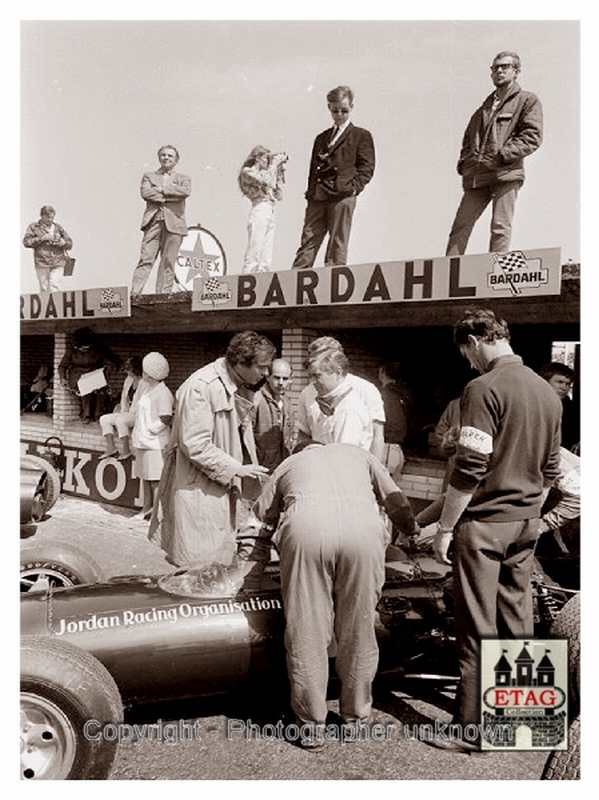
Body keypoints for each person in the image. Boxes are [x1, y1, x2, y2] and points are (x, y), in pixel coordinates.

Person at [431, 308, 561, 752]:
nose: (467, 361)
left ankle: (473, 733)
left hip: (485, 526)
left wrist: (445, 528)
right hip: (527, 522)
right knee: (517, 617)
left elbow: (469, 468)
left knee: (476, 625)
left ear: (473, 342)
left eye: (466, 352)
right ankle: (525, 723)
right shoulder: (548, 392)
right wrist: (529, 511)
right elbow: (550, 469)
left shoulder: (482, 387)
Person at [253, 442, 417, 744]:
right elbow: (397, 502)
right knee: (360, 626)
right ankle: (355, 719)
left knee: (307, 629)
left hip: (307, 530)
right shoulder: (359, 454)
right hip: (363, 533)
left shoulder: (290, 463)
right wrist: (413, 529)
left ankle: (310, 727)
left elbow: (262, 514)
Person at [149, 331, 276, 566]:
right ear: (240, 361)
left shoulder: (241, 384)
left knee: (220, 560)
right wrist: (237, 469)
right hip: (199, 488)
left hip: (222, 486)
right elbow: (195, 443)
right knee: (200, 565)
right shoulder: (201, 386)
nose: (266, 373)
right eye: (262, 367)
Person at [445, 52, 543, 256]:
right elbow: (468, 140)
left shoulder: (527, 100)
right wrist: (465, 164)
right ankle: (449, 273)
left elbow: (532, 136)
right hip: (476, 177)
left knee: (500, 226)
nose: (498, 70)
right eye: (495, 67)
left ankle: (495, 273)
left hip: (505, 174)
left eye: (504, 66)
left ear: (516, 71)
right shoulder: (483, 108)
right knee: (460, 226)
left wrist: (502, 156)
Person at [292, 85, 375, 269]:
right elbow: (313, 170)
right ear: (329, 107)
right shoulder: (321, 138)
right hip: (318, 196)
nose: (339, 115)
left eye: (344, 110)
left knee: (338, 243)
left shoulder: (361, 135)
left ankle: (333, 281)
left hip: (342, 196)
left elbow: (367, 168)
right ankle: (296, 280)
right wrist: (311, 194)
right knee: (308, 239)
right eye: (335, 110)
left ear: (351, 107)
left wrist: (352, 188)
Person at [297, 337, 385, 460]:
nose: (314, 362)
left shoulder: (365, 390)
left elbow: (377, 435)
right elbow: (304, 433)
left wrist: (375, 473)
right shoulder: (308, 392)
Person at [131, 145, 192, 295]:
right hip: (153, 222)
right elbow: (146, 193)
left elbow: (185, 192)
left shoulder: (183, 178)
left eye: (170, 156)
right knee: (146, 258)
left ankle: (163, 294)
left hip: (175, 224)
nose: (166, 158)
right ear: (159, 157)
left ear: (176, 159)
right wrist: (172, 196)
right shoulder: (149, 176)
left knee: (168, 261)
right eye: (163, 155)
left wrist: (162, 190)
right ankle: (134, 293)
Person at [130, 352, 174, 521]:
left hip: (155, 443)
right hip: (143, 442)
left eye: (145, 371)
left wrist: (150, 430)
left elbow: (166, 417)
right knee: (145, 478)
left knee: (155, 480)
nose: (143, 373)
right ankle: (146, 509)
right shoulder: (148, 389)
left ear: (152, 373)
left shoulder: (163, 393)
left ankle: (157, 514)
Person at [238, 146, 288, 274]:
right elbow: (266, 182)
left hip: (270, 210)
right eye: (266, 158)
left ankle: (262, 280)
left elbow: (279, 195)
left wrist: (279, 173)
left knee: (266, 256)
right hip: (259, 209)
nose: (268, 161)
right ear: (257, 158)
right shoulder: (248, 172)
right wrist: (274, 164)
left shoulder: (267, 173)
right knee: (255, 250)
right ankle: (247, 276)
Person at [58, 327, 122, 422]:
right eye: (81, 348)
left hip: (95, 374)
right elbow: (62, 366)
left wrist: (116, 366)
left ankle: (98, 414)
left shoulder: (99, 348)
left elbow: (114, 358)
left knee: (101, 389)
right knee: (86, 388)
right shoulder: (72, 350)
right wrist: (62, 378)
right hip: (78, 376)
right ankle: (87, 415)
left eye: (86, 347)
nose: (83, 350)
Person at [252, 358, 295, 471]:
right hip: (260, 470)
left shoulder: (287, 403)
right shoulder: (256, 400)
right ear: (268, 377)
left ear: (291, 380)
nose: (281, 382)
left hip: (281, 467)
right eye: (276, 377)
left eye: (285, 378)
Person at [98, 356, 143, 460]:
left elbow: (143, 404)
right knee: (104, 419)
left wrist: (128, 414)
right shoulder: (128, 380)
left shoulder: (145, 382)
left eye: (129, 368)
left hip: (138, 415)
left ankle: (126, 450)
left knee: (120, 421)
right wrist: (122, 410)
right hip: (126, 412)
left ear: (135, 369)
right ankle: (111, 448)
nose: (126, 371)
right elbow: (124, 397)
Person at [23, 205, 73, 293]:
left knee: (54, 287)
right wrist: (41, 238)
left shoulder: (58, 228)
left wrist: (63, 243)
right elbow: (26, 242)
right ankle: (46, 307)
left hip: (58, 262)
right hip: (42, 263)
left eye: (52, 217)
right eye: (48, 217)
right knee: (44, 289)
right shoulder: (34, 227)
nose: (50, 219)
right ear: (42, 216)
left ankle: (57, 306)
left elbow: (70, 243)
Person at [378, 361, 412, 480]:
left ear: (382, 372)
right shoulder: (403, 394)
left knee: (380, 492)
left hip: (386, 449)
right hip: (398, 450)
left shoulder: (385, 395)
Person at [539, 362, 580, 452]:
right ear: (545, 381)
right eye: (560, 382)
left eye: (568, 384)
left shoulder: (571, 409)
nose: (564, 387)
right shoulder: (534, 405)